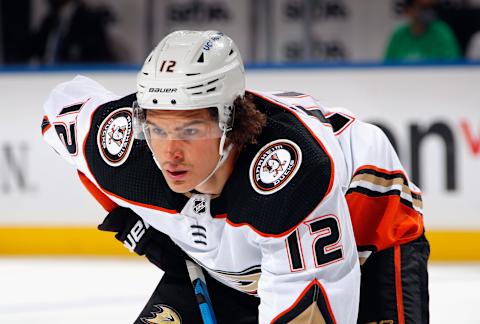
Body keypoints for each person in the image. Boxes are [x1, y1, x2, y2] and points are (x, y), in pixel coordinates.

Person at [42, 30, 428, 323]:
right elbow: (60, 109)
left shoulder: (291, 178)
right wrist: (132, 222)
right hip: (232, 268)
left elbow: (310, 305)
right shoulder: (124, 146)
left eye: (191, 130)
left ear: (230, 123)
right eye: (157, 129)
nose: (169, 152)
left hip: (368, 226)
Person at [384, 0, 461, 62]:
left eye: (429, 8)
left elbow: (451, 67)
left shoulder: (442, 33)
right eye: (422, 8)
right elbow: (388, 67)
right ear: (409, 11)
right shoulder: (399, 36)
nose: (427, 12)